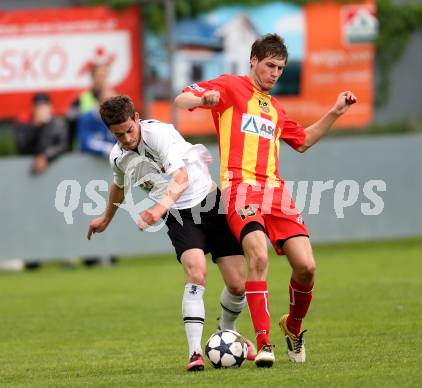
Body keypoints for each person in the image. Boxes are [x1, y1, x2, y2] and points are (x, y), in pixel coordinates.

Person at [174, 33, 357, 367]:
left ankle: (292, 327)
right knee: (257, 253)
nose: (275, 73)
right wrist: (206, 99)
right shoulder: (230, 86)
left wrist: (335, 112)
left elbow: (302, 142)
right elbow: (182, 100)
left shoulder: (275, 108)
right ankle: (263, 343)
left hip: (276, 193)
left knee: (306, 266)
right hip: (239, 189)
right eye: (270, 65)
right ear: (253, 61)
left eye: (281, 68)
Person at [86, 95, 255, 371]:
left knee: (237, 284)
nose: (127, 138)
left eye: (129, 130)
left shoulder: (159, 134)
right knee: (196, 273)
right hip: (179, 215)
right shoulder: (118, 156)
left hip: (211, 203)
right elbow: (119, 184)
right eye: (119, 134)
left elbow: (182, 178)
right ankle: (195, 353)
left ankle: (228, 332)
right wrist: (106, 217)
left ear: (137, 118)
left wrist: (157, 208)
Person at [14, 92, 69, 175]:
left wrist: (45, 156)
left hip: (57, 170)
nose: (42, 110)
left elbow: (63, 145)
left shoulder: (59, 124)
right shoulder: (25, 125)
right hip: (30, 172)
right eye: (38, 107)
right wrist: (35, 127)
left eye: (44, 106)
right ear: (33, 109)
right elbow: (23, 148)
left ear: (50, 107)